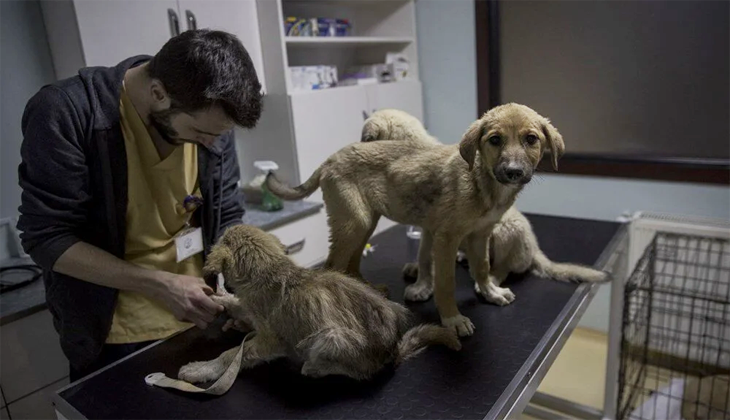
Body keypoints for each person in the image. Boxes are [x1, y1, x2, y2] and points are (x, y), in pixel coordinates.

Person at [16, 29, 263, 382]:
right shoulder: (67, 112)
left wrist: (249, 293)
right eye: (200, 133)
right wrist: (160, 284)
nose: (212, 144)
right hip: (116, 338)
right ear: (158, 93)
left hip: (201, 320)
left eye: (219, 135)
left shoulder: (210, 116)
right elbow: (47, 238)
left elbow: (228, 216)